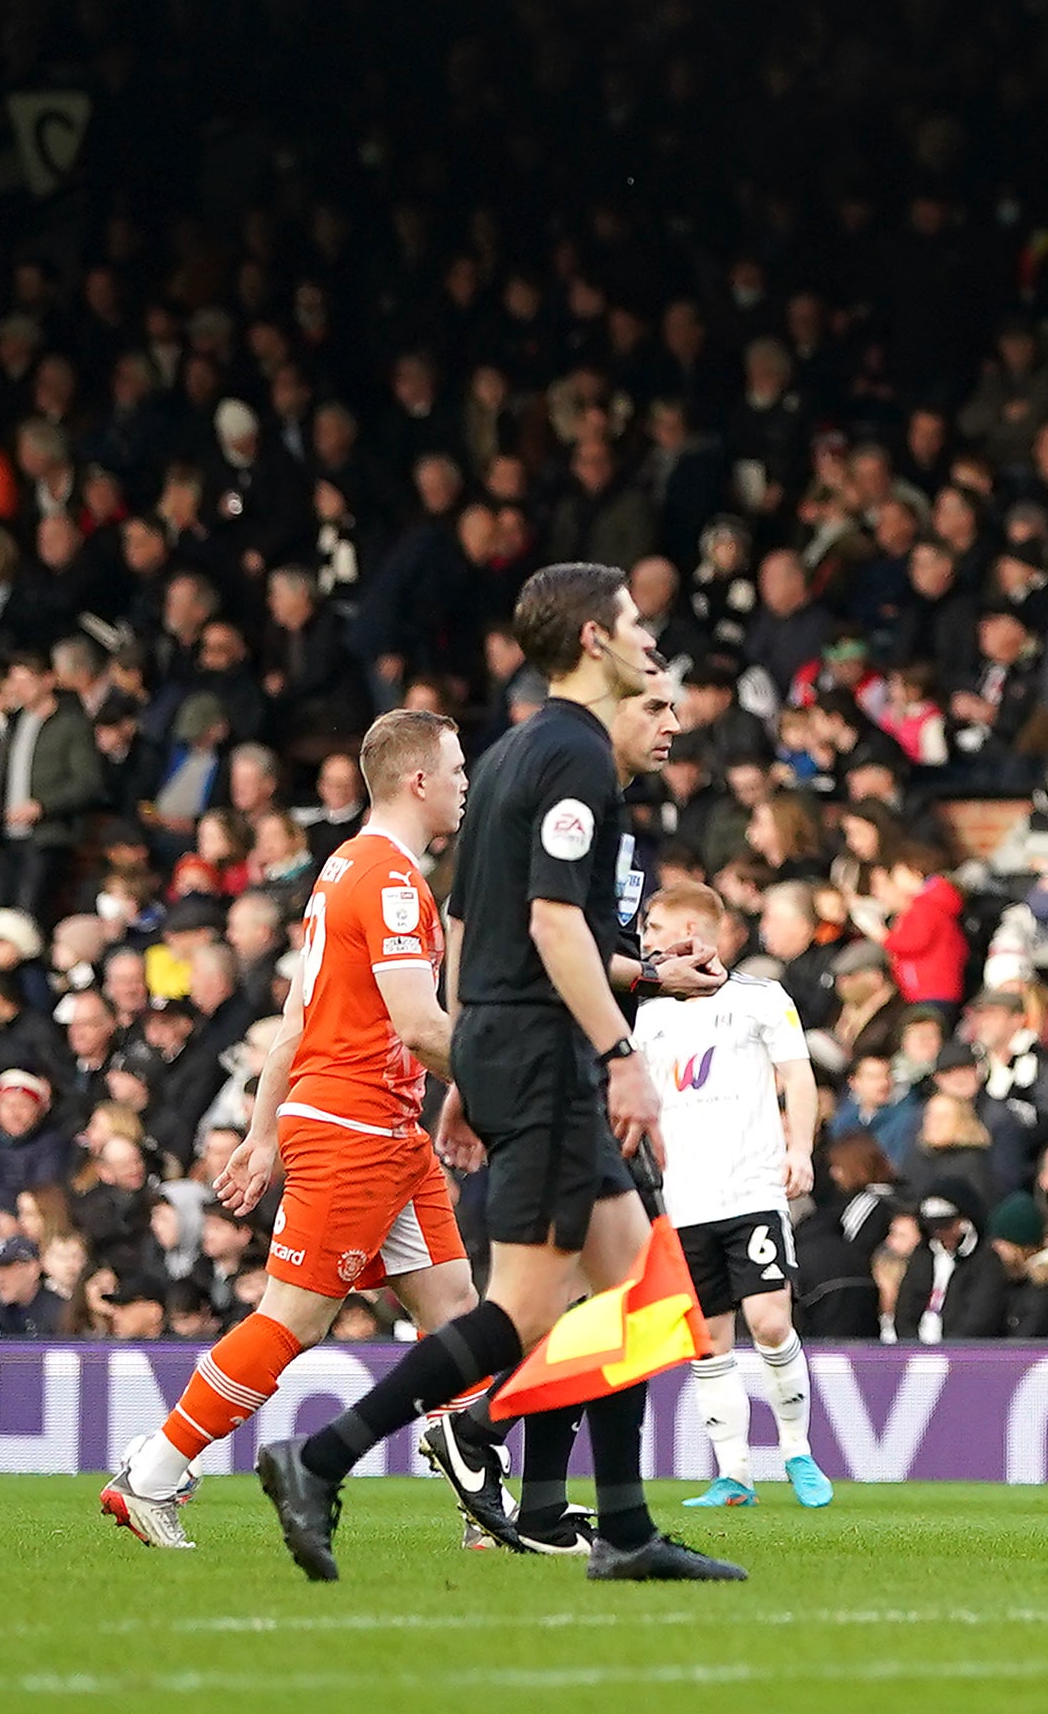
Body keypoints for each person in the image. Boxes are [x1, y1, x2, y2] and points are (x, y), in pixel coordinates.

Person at [263, 565, 737, 1585]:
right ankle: (324, 1453)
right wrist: (621, 1053)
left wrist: (470, 1070)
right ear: (592, 639)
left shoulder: (520, 747)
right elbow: (551, 923)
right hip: (547, 1051)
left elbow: (473, 926)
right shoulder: (575, 758)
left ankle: (621, 1527)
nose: (646, 636)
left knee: (636, 1288)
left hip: (507, 1044)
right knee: (523, 1309)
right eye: (633, 622)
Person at [102, 704, 483, 1549]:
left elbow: (297, 1013)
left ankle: (488, 1515)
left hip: (383, 1130)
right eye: (457, 771)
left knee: (458, 1313)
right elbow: (421, 1028)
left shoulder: (341, 870)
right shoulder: (389, 881)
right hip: (355, 1126)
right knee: (292, 1321)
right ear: (419, 781)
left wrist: (267, 1127)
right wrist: (507, 1089)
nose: (466, 785)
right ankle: (155, 1473)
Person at [630, 873, 832, 1510]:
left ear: (689, 935)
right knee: (708, 1339)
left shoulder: (760, 997)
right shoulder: (648, 1014)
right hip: (682, 1199)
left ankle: (797, 1450)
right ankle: (734, 1473)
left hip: (750, 1190)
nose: (643, 942)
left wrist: (799, 1148)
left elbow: (798, 1078)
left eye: (653, 931)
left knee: (769, 1321)